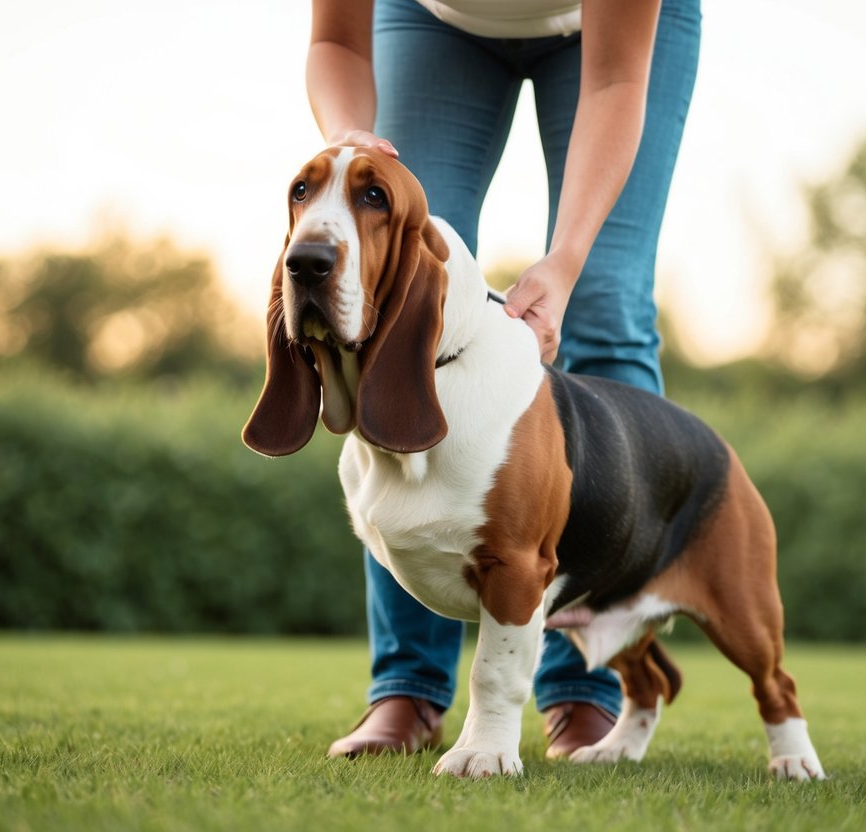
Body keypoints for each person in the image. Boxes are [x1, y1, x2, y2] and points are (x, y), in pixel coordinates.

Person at [305, 0, 702, 759]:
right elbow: (334, 40)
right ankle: (407, 688)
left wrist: (567, 259)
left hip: (609, 37)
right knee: (400, 288)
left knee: (607, 302)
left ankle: (584, 687)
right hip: (429, 24)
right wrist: (347, 140)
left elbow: (616, 78)